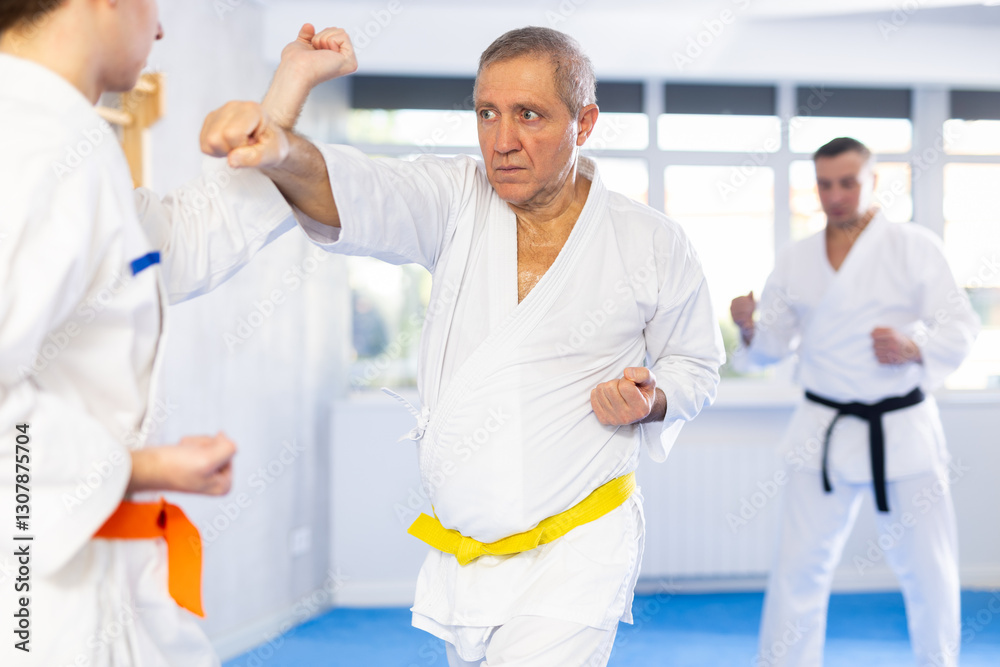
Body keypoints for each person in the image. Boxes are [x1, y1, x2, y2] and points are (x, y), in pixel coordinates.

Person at [194, 23, 725, 667]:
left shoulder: (652, 242)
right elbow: (355, 188)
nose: (503, 142)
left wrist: (653, 399)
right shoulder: (454, 199)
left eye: (529, 115)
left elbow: (696, 365)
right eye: (487, 114)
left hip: (581, 543)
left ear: (584, 123)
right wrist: (277, 142)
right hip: (466, 549)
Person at [0, 1, 299, 664]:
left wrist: (287, 93)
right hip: (37, 595)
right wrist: (143, 467)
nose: (160, 28)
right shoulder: (32, 145)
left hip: (84, 571)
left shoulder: (60, 136)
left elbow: (175, 240)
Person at [730, 137, 980, 667]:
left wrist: (917, 348)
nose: (835, 195)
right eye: (825, 184)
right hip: (823, 428)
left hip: (902, 429)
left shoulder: (914, 247)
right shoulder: (796, 259)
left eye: (848, 183)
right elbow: (773, 348)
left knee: (928, 569)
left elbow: (961, 324)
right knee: (799, 569)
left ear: (871, 182)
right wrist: (750, 327)